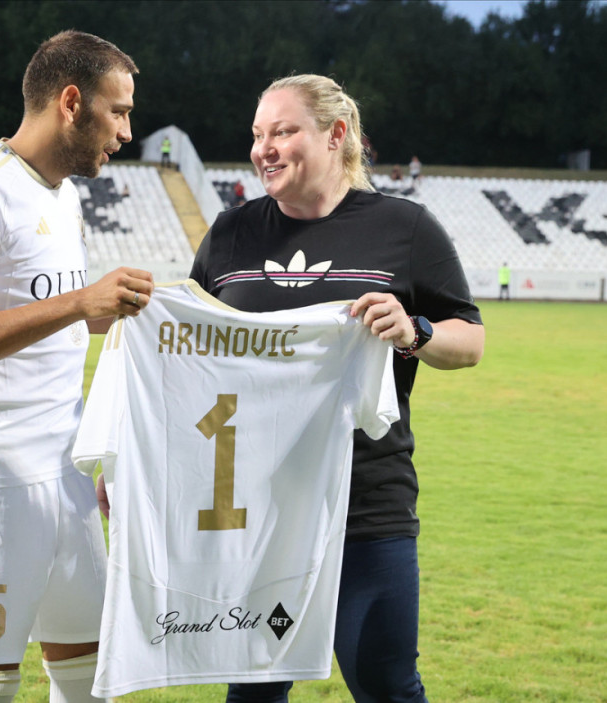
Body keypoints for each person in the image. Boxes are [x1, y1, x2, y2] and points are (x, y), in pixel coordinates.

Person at [189, 74, 484, 703]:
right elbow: (188, 363)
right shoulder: (230, 233)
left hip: (367, 508)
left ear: (336, 134)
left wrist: (415, 331)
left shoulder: (404, 228)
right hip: (255, 511)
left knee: (385, 686)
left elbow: (471, 340)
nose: (264, 147)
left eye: (284, 131)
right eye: (257, 134)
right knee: (255, 691)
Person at [0, 30, 151, 703]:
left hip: (66, 468)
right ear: (72, 102)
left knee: (89, 678)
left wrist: (126, 313)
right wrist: (83, 301)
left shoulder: (64, 195)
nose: (128, 131)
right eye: (120, 111)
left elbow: (62, 321)